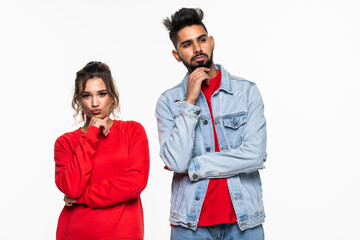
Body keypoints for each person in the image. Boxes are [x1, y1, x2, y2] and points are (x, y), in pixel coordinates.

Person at [155, 8, 267, 239]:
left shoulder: (246, 92)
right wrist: (189, 101)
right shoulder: (168, 102)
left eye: (202, 40)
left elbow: (254, 154)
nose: (197, 49)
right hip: (189, 225)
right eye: (187, 44)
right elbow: (176, 162)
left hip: (244, 221)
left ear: (212, 42)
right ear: (177, 54)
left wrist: (194, 167)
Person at [54, 61, 150, 240]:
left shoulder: (133, 131)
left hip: (124, 234)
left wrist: (83, 199)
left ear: (112, 96)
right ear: (78, 100)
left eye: (102, 94)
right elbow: (72, 189)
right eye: (86, 96)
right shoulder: (65, 142)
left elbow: (136, 183)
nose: (95, 103)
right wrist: (91, 135)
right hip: (75, 232)